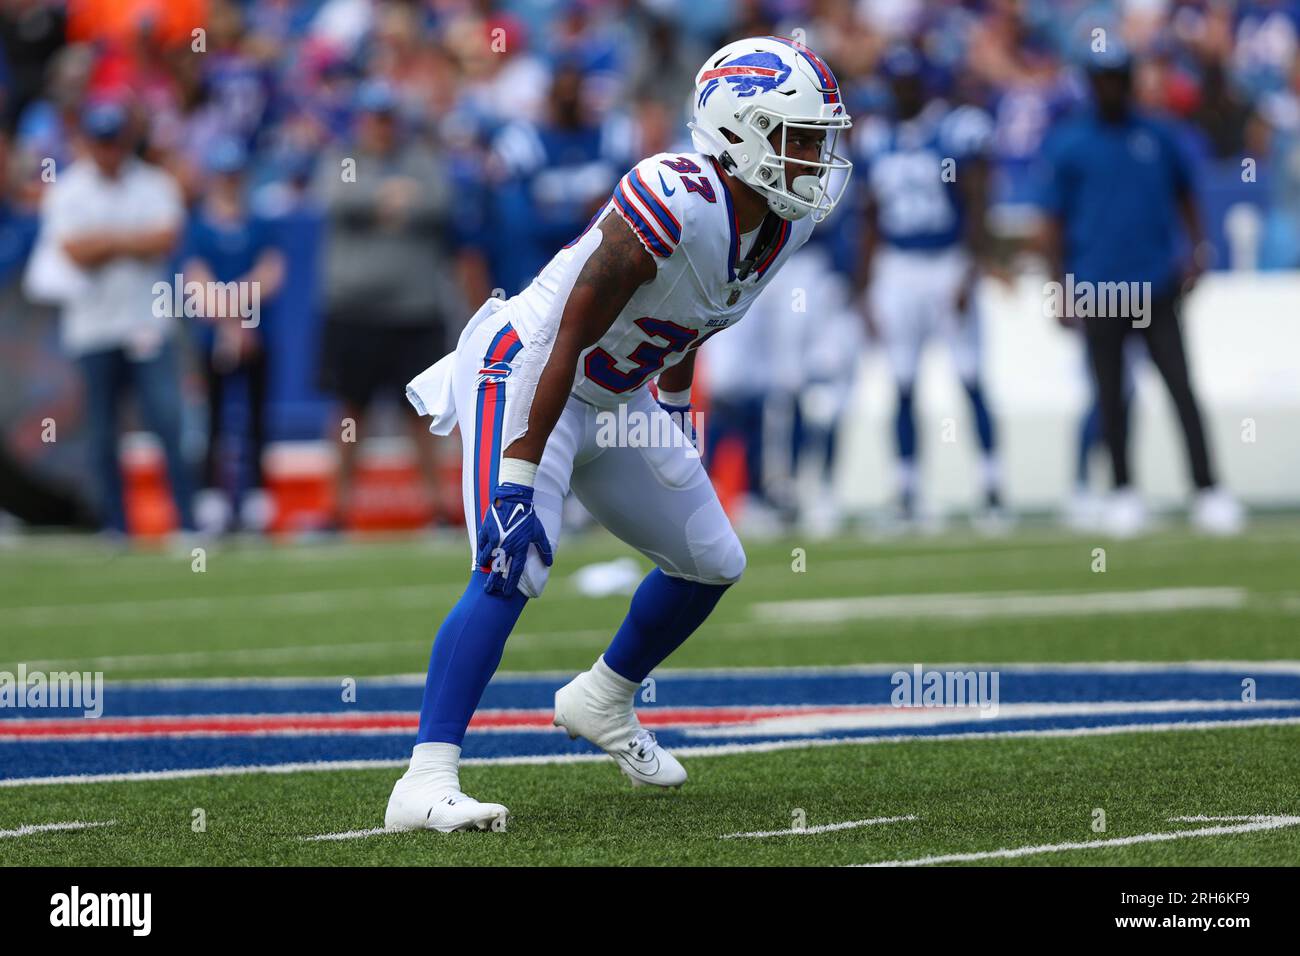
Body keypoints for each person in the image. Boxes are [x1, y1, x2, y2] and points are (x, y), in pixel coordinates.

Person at [386, 37, 853, 832]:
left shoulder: (781, 225)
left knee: (712, 560)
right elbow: (565, 333)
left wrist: (671, 413)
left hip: (616, 391)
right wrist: (518, 477)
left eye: (819, 141)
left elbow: (695, 316)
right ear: (739, 131)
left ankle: (603, 697)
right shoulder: (675, 194)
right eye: (798, 139)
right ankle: (423, 781)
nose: (814, 159)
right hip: (528, 372)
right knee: (513, 557)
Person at [1037, 45, 1243, 537]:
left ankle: (1208, 488)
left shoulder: (1157, 133)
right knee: (1111, 396)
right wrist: (1057, 286)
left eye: (1117, 78)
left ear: (1128, 80)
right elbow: (1051, 222)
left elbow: (1187, 193)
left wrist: (1198, 249)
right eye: (1102, 79)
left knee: (1180, 388)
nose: (1110, 87)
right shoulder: (1070, 144)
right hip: (1098, 287)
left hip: (1154, 283)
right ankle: (1124, 490)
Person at [857, 47, 1005, 528]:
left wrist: (972, 265)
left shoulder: (955, 128)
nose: (901, 92)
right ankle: (906, 491)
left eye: (909, 83)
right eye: (894, 83)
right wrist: (866, 286)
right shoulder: (875, 136)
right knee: (900, 383)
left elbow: (978, 197)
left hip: (946, 260)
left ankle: (991, 486)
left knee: (970, 376)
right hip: (898, 266)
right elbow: (870, 215)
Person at [32, 101, 194, 538]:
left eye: (115, 142)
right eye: (101, 143)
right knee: (102, 431)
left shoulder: (153, 183)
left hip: (146, 324)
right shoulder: (67, 189)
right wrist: (129, 242)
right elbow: (73, 251)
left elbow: (165, 238)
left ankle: (188, 525)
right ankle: (116, 527)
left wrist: (104, 241)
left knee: (167, 421)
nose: (109, 152)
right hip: (93, 328)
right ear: (88, 143)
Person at [314, 80, 469, 530]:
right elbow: (338, 198)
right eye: (373, 117)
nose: (380, 127)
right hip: (353, 310)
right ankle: (336, 510)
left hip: (413, 309)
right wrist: (390, 197)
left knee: (422, 413)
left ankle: (438, 508)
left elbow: (439, 201)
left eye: (387, 117)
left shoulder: (420, 160)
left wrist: (378, 202)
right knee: (348, 412)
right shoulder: (343, 160)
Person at [181, 138, 285, 534]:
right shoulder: (200, 226)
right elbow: (195, 283)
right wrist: (230, 323)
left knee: (258, 415)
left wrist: (237, 320)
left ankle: (257, 498)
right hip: (216, 338)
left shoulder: (259, 223)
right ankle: (212, 500)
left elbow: (271, 274)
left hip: (257, 335)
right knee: (213, 418)